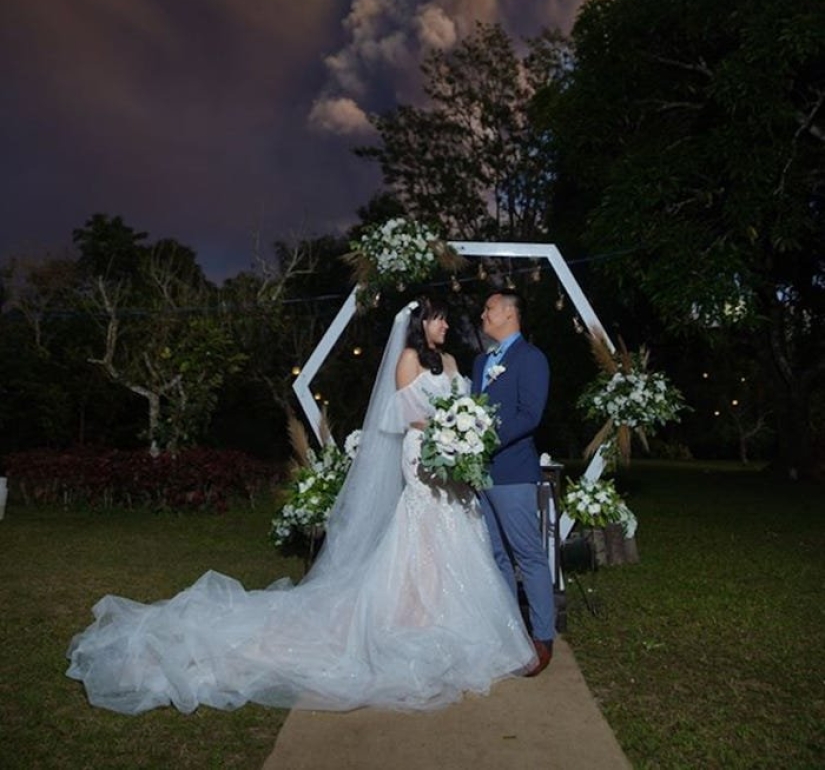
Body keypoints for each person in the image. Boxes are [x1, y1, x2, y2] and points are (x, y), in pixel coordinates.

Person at [66, 299, 537, 715]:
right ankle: (410, 615)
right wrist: (446, 428)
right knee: (422, 532)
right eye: (438, 320)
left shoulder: (453, 360)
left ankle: (450, 618)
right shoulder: (408, 358)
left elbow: (465, 404)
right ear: (422, 324)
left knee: (456, 533)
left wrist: (464, 430)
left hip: (452, 462)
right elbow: (402, 413)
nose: (446, 327)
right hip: (422, 453)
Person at [472, 289, 555, 676]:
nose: (483, 315)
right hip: (480, 475)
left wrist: (483, 439)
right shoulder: (480, 362)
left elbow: (529, 414)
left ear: (508, 312)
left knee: (528, 556)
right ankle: (509, 636)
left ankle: (542, 638)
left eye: (489, 309)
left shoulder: (531, 358)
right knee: (496, 558)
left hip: (513, 473)